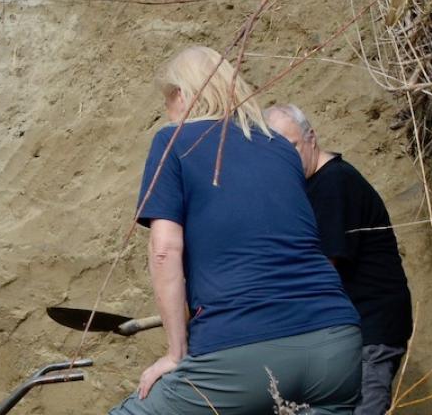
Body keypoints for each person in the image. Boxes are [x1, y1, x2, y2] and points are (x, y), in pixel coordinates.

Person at [110, 46, 361, 415]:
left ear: (182, 94)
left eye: (168, 100)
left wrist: (176, 353)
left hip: (245, 350)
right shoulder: (283, 149)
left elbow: (164, 250)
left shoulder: (174, 141)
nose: (168, 112)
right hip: (337, 345)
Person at [266, 103, 414, 415]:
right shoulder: (310, 188)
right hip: (348, 335)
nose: (286, 158)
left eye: (292, 146)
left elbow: (321, 269)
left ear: (311, 137)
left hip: (370, 331)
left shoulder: (334, 183)